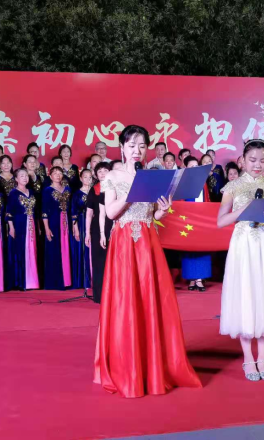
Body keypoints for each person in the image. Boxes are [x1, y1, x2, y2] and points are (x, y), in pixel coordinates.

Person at [94, 124, 201, 398]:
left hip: (148, 241)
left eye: (142, 146)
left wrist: (162, 211)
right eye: (132, 145)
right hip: (123, 243)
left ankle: (154, 364)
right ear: (122, 147)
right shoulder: (112, 176)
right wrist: (132, 193)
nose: (137, 151)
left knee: (151, 299)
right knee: (126, 300)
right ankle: (127, 366)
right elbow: (112, 213)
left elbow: (152, 215)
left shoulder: (152, 177)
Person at [217, 139, 264, 381]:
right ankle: (248, 359)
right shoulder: (233, 186)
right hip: (243, 244)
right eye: (252, 160)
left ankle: (262, 358)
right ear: (242, 161)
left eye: (262, 160)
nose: (257, 165)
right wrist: (245, 210)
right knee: (246, 296)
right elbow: (221, 221)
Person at [6, 169, 39, 291]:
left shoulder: (31, 192)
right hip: (19, 224)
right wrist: (11, 227)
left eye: (26, 176)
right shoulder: (13, 193)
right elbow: (9, 212)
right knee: (20, 251)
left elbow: (35, 211)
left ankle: (32, 281)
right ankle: (21, 281)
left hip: (31, 224)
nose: (25, 178)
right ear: (16, 179)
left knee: (32, 250)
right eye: (21, 176)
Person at [181, 156, 211, 291]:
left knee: (201, 248)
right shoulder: (182, 182)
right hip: (187, 221)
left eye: (196, 166)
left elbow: (207, 201)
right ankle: (192, 279)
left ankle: (200, 278)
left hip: (201, 220)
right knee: (188, 250)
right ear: (185, 168)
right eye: (191, 166)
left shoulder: (203, 182)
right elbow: (179, 203)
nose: (194, 169)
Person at [85, 162, 113, 303]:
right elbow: (89, 213)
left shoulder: (116, 187)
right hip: (97, 228)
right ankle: (100, 295)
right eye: (99, 171)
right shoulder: (94, 189)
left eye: (105, 170)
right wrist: (87, 233)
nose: (102, 173)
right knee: (99, 262)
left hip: (115, 226)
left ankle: (115, 295)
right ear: (96, 175)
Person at [42, 166, 72, 290]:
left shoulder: (67, 189)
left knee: (67, 248)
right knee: (54, 250)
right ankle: (55, 282)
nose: (58, 175)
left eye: (60, 173)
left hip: (67, 222)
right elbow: (44, 211)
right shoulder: (47, 190)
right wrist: (46, 228)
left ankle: (68, 281)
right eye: (55, 173)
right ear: (50, 176)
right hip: (53, 222)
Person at [71, 169, 93, 290]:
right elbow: (73, 213)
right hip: (81, 222)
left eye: (90, 177)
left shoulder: (95, 192)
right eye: (85, 177)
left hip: (94, 223)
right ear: (80, 178)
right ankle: (85, 280)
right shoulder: (77, 194)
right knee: (84, 250)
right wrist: (76, 228)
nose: (88, 179)